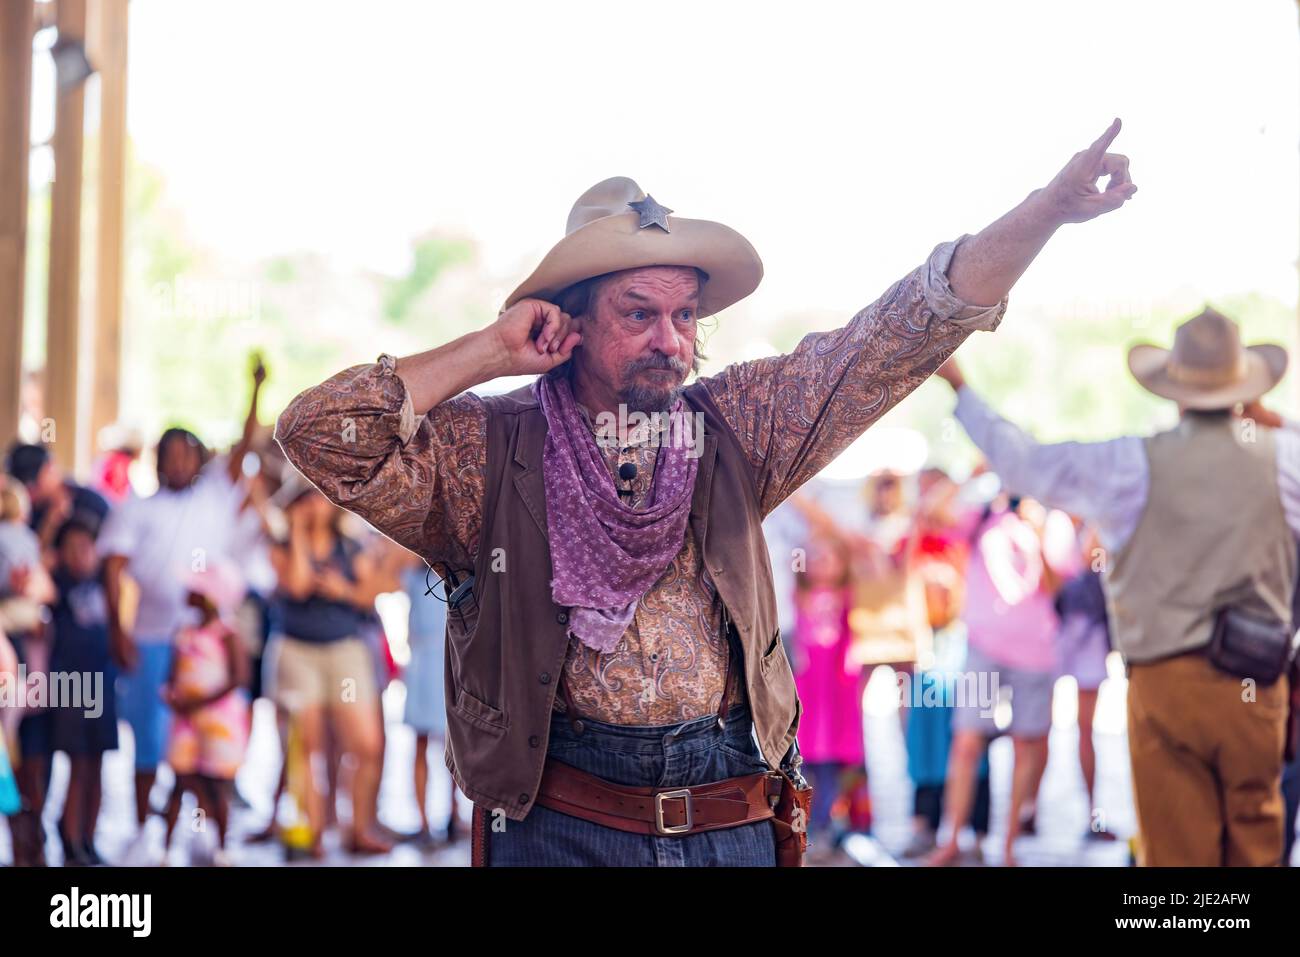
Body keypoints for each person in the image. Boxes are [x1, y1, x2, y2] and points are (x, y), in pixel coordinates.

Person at [275, 124, 1135, 866]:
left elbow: (903, 332)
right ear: (568, 324)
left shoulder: (736, 425)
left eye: (685, 316)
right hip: (558, 825)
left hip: (731, 817)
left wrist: (1046, 209)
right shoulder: (486, 448)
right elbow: (318, 432)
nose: (670, 339)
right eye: (638, 313)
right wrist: (492, 351)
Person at [934, 305, 1298, 867]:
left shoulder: (1132, 464)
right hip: (1256, 679)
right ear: (1245, 389)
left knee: (1179, 856)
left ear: (1174, 391)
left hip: (1164, 679)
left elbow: (1024, 462)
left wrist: (961, 388)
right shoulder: (1284, 460)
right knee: (1256, 844)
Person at [99, 356, 263, 861]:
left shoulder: (215, 494)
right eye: (167, 455)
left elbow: (244, 446)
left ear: (197, 459)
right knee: (151, 740)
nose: (176, 463)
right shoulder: (137, 507)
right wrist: (119, 630)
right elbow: (113, 569)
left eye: (184, 454)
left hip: (208, 646)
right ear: (157, 460)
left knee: (204, 745)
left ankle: (208, 834)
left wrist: (255, 389)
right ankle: (145, 828)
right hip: (151, 636)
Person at [927, 496, 1078, 866]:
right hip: (984, 648)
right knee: (966, 743)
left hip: (1036, 653)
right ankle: (952, 839)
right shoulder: (982, 512)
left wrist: (1040, 531)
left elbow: (1058, 585)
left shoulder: (1053, 521)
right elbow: (931, 512)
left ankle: (1008, 846)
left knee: (1025, 746)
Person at [263, 477, 389, 857]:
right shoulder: (281, 547)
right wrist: (299, 533)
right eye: (306, 499)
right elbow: (298, 586)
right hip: (297, 652)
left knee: (367, 745)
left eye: (320, 497)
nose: (315, 505)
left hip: (344, 651)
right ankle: (314, 830)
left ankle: (358, 827)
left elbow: (370, 594)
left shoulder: (351, 547)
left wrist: (341, 591)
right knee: (308, 747)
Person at [160, 562, 251, 867]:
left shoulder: (227, 634)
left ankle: (221, 847)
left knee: (215, 784)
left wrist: (198, 703)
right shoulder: (184, 632)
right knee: (180, 779)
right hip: (186, 719)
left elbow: (239, 676)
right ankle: (166, 849)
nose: (188, 592)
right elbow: (173, 673)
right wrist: (173, 694)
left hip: (218, 723)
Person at [47, 518, 119, 866]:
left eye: (86, 547)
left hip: (101, 681)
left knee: (98, 765)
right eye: (71, 548)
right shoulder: (55, 588)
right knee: (78, 765)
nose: (80, 555)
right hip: (71, 686)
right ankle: (71, 841)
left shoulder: (105, 584)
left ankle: (88, 840)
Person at [1052, 523, 1118, 841]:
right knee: (1033, 733)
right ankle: (1027, 810)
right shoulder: (1051, 524)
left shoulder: (1095, 523)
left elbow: (1098, 562)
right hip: (1047, 635)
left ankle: (1092, 813)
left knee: (1085, 729)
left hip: (1088, 635)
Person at [5, 444, 110, 557]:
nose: (29, 492)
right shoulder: (21, 511)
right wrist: (50, 524)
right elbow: (23, 557)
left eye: (33, 483)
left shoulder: (91, 502)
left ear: (50, 468)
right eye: (23, 486)